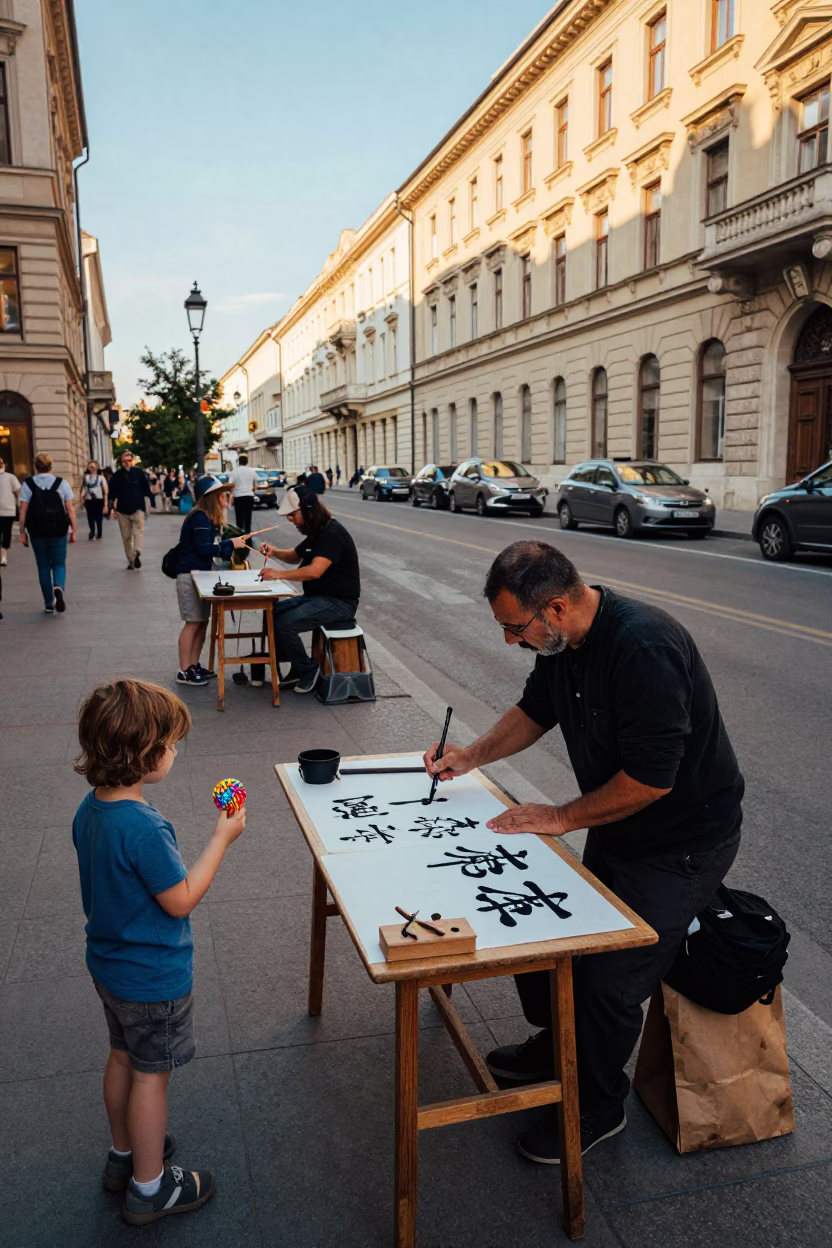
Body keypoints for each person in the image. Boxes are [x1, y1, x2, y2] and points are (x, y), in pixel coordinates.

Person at [423, 540, 744, 1165]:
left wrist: (561, 816)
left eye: (516, 628)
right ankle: (554, 1049)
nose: (511, 641)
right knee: (549, 935)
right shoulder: (565, 645)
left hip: (683, 842)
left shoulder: (643, 647)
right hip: (622, 825)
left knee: (610, 981)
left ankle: (595, 1107)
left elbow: (653, 780)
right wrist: (469, 756)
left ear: (558, 608)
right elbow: (533, 712)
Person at [72, 678, 246, 1225]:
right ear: (145, 755)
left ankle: (123, 1158)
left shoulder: (91, 809)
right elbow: (180, 899)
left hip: (109, 967)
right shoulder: (146, 828)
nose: (175, 751)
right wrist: (223, 837)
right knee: (153, 1075)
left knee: (122, 1056)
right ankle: (150, 1189)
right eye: (171, 743)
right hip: (152, 978)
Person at [259, 487, 360, 694]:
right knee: (273, 612)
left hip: (339, 603)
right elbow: (296, 556)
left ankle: (308, 669)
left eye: (292, 515)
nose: (290, 520)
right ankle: (296, 665)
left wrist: (278, 574)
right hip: (318, 597)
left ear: (307, 510)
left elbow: (315, 571)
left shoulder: (331, 533)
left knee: (285, 623)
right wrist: (275, 551)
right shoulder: (318, 531)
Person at [174, 475, 246, 687]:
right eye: (220, 494)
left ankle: (194, 665)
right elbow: (205, 549)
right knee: (193, 623)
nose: (224, 498)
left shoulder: (205, 517)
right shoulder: (199, 517)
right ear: (210, 497)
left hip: (201, 574)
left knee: (202, 623)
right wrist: (231, 544)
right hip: (189, 575)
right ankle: (184, 670)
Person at [18, 451, 77, 613]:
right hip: (58, 529)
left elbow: (23, 511)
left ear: (35, 466)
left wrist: (22, 532)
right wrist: (74, 531)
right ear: (51, 466)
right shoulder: (61, 483)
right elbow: (70, 509)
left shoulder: (28, 484)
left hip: (37, 530)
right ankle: (58, 586)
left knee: (43, 565)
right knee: (59, 563)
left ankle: (48, 603)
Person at [109, 450, 151, 570]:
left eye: (129, 459)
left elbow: (146, 489)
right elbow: (112, 493)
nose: (127, 462)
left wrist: (149, 504)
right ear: (121, 462)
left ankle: (137, 552)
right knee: (126, 537)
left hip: (138, 508)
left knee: (138, 532)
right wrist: (111, 507)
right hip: (122, 510)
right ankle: (131, 560)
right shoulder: (116, 476)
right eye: (124, 460)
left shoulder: (139, 473)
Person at [0, 453, 21, 566]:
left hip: (8, 510)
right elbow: (18, 493)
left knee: (6, 534)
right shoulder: (11, 477)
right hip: (8, 510)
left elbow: (18, 493)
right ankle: (3, 556)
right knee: (6, 533)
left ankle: (3, 556)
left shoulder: (10, 477)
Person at [227, 453, 256, 534]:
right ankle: (248, 535)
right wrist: (253, 492)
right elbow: (255, 484)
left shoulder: (234, 471)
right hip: (249, 496)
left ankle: (240, 535)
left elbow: (231, 485)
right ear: (247, 462)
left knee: (239, 518)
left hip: (238, 496)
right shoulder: (251, 470)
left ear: (239, 462)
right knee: (248, 517)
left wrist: (231, 496)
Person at [80, 460, 108, 540]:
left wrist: (106, 505)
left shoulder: (101, 478)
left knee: (99, 518)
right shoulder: (86, 477)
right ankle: (92, 531)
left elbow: (106, 491)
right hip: (89, 500)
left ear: (97, 467)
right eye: (90, 466)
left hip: (99, 500)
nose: (92, 468)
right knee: (90, 517)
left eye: (93, 466)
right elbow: (84, 488)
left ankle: (99, 533)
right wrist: (81, 498)